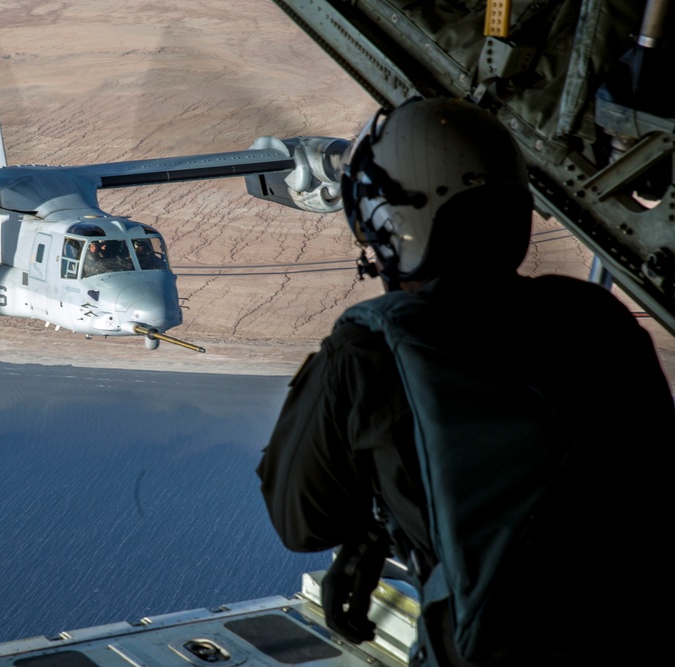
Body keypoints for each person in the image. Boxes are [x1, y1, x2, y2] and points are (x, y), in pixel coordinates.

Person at [257, 98, 674, 666]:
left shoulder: (371, 350)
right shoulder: (594, 317)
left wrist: (371, 528)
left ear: (395, 225)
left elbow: (302, 521)